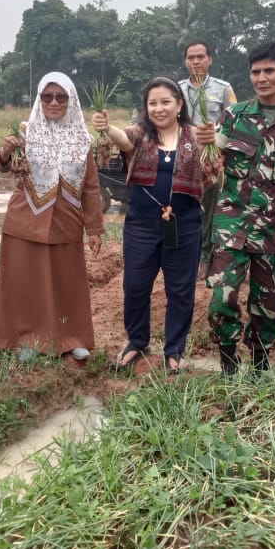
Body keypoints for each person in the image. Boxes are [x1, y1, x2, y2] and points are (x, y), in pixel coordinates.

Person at [196, 41, 275, 375]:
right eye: (256, 72)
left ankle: (260, 367)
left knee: (268, 305)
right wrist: (205, 150)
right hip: (231, 225)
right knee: (221, 299)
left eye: (269, 71)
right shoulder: (234, 116)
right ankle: (228, 362)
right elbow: (212, 164)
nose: (262, 78)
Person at [93, 77, 205, 374]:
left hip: (185, 225)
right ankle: (137, 341)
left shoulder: (195, 136)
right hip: (141, 225)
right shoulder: (142, 134)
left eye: (166, 102)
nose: (159, 108)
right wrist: (106, 126)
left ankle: (175, 350)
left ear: (179, 104)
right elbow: (123, 138)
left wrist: (213, 139)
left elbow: (218, 145)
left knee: (181, 290)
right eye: (152, 103)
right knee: (135, 285)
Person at [0, 72, 104, 361]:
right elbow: (2, 164)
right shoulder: (26, 132)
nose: (54, 103)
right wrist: (6, 150)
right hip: (25, 222)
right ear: (39, 99)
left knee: (66, 283)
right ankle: (26, 340)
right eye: (47, 97)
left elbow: (91, 186)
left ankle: (72, 337)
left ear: (71, 100)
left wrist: (94, 228)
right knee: (27, 284)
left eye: (61, 97)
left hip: (66, 221)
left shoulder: (81, 139)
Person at [178, 41, 237, 277]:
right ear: (185, 61)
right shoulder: (177, 89)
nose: (195, 61)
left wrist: (217, 148)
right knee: (184, 207)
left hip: (211, 159)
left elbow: (234, 123)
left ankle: (205, 256)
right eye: (190, 57)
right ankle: (186, 255)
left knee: (210, 210)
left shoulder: (223, 89)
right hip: (183, 160)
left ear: (210, 59)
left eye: (200, 57)